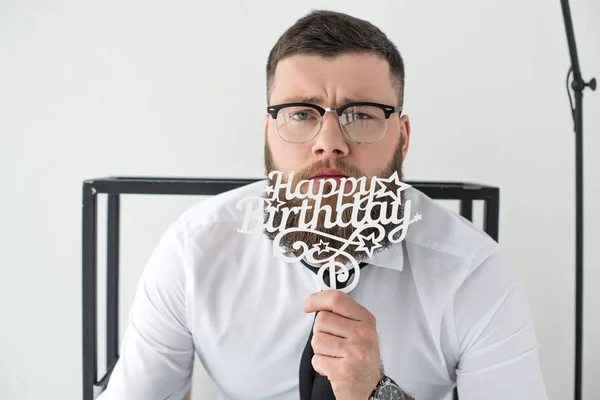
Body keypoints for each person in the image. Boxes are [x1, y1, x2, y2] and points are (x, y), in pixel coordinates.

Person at [99, 10, 548, 400]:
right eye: (301, 114)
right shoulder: (195, 250)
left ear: (403, 137)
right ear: (268, 133)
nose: (330, 144)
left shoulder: (473, 273)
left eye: (361, 114)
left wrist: (378, 394)